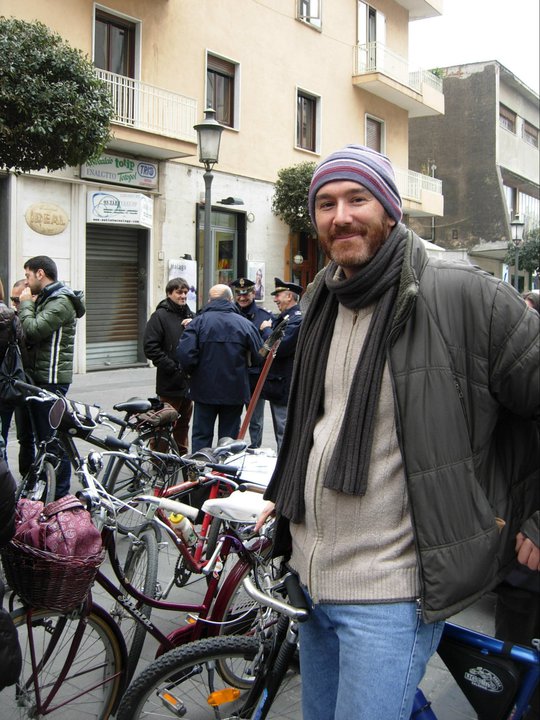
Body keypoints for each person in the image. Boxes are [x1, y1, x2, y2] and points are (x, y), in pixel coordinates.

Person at [255, 145, 540, 720]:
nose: (341, 217)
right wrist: (284, 495)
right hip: (310, 578)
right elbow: (320, 423)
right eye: (326, 204)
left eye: (357, 199)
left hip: (391, 592)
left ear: (390, 209)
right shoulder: (322, 298)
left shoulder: (464, 294)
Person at [18, 256, 86, 498]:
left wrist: (26, 304)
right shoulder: (49, 298)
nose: (26, 282)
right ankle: (48, 489)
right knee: (44, 440)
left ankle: (60, 495)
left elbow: (33, 330)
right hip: (41, 377)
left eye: (27, 276)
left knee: (52, 440)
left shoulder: (61, 301)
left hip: (52, 379)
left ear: (40, 273)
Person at [177, 284, 263, 452]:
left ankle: (201, 467)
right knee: (229, 440)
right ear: (230, 300)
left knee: (201, 436)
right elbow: (259, 356)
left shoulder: (197, 323)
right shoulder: (245, 324)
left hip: (204, 390)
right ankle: (224, 468)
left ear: (209, 300)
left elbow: (185, 355)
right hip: (234, 391)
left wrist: (192, 374)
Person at [143, 277, 194, 455]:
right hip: (170, 383)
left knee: (183, 424)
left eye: (185, 292)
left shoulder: (191, 315)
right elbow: (150, 348)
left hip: (188, 383)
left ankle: (181, 457)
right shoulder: (159, 316)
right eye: (179, 292)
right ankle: (158, 459)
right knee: (163, 424)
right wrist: (173, 367)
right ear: (169, 293)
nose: (183, 296)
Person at [260, 278, 303, 450]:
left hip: (285, 385)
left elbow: (280, 347)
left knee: (284, 432)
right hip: (278, 384)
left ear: (289, 296)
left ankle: (284, 463)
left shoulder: (296, 319)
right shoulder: (285, 318)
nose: (275, 299)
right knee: (281, 430)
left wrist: (267, 330)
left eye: (278, 295)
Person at [231, 277, 273, 448]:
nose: (242, 298)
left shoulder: (264, 316)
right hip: (233, 375)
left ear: (253, 293)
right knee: (232, 418)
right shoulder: (230, 314)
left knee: (255, 419)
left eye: (246, 294)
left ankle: (255, 448)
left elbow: (269, 346)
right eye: (239, 294)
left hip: (254, 376)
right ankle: (231, 450)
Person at [0, 280, 35, 476]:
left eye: (17, 299)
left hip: (8, 387)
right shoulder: (12, 318)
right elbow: (24, 355)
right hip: (8, 386)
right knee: (5, 439)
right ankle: (8, 485)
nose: (14, 302)